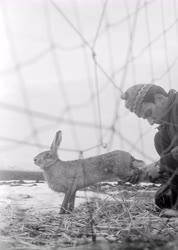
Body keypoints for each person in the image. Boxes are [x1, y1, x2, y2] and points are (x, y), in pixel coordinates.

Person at [121, 83, 178, 212]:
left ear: (160, 99)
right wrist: (145, 174)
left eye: (149, 113)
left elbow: (168, 161)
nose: (151, 122)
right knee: (163, 198)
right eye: (145, 118)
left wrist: (160, 165)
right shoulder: (164, 131)